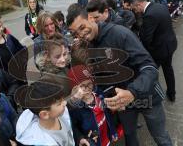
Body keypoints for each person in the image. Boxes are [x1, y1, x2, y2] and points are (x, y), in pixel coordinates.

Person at [67, 7, 172, 146]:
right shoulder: (87, 46)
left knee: (160, 136)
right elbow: (101, 78)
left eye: (82, 27)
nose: (80, 34)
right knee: (130, 135)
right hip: (122, 102)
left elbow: (150, 68)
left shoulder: (120, 34)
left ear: (91, 18)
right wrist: (109, 99)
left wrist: (132, 92)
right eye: (75, 32)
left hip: (148, 96)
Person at [130, 0, 177, 102]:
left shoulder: (149, 15)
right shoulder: (159, 6)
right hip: (170, 44)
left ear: (139, 4)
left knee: (149, 73)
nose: (136, 12)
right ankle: (172, 93)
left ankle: (150, 97)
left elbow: (146, 38)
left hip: (159, 50)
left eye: (135, 9)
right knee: (168, 69)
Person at [68, 65, 124, 146]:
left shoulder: (99, 94)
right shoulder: (75, 109)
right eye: (82, 86)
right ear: (74, 89)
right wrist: (80, 138)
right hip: (93, 141)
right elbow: (73, 127)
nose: (87, 88)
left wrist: (113, 131)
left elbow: (107, 114)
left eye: (89, 84)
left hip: (106, 135)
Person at [15, 81, 75, 146]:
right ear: (45, 114)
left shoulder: (60, 114)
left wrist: (79, 137)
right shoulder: (44, 142)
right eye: (59, 103)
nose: (65, 102)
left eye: (63, 99)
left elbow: (69, 130)